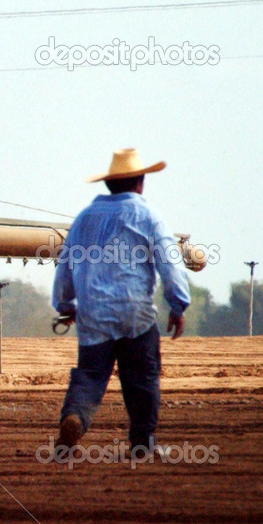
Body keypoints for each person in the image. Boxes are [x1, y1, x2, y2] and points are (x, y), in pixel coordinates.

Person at [52, 148, 191, 456]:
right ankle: (143, 444)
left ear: (109, 185)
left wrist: (65, 306)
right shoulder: (149, 217)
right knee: (142, 377)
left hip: (93, 315)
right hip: (134, 314)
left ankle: (75, 417)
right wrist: (178, 306)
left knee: (89, 375)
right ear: (140, 182)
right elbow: (170, 265)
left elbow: (65, 268)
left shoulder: (83, 219)